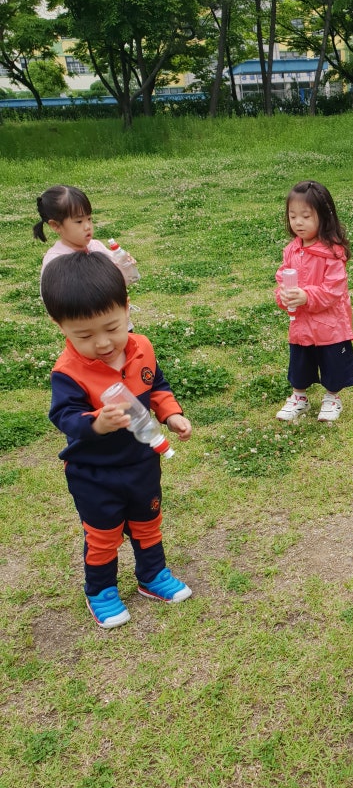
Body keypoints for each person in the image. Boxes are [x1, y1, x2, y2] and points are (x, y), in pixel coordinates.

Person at [40, 252, 193, 630]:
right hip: (94, 472)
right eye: (84, 335)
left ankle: (152, 576)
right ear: (59, 325)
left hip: (140, 462)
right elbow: (63, 416)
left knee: (148, 521)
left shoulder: (141, 346)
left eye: (112, 326)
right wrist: (97, 421)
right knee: (103, 534)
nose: (103, 343)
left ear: (126, 307)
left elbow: (155, 385)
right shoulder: (69, 372)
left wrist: (171, 413)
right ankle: (101, 590)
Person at [275, 180, 353, 423]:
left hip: (330, 325)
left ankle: (332, 398)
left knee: (332, 361)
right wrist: (283, 296)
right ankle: (299, 397)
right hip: (301, 323)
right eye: (292, 216)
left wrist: (307, 296)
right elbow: (282, 276)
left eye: (306, 216)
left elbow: (334, 290)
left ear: (324, 216)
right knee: (300, 361)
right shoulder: (291, 250)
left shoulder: (332, 252)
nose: (298, 222)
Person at [35, 184, 139, 329]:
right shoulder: (56, 260)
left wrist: (125, 265)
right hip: (89, 333)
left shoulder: (96, 246)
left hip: (118, 324)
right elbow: (54, 300)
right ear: (55, 225)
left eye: (89, 219)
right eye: (79, 221)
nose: (87, 226)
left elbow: (118, 283)